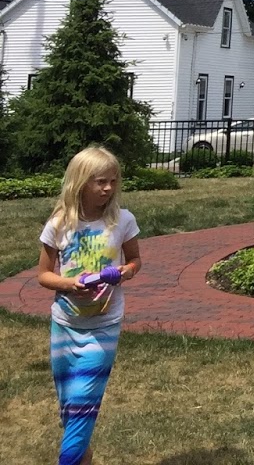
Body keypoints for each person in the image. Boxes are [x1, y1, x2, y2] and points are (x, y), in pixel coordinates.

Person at [37, 145, 143, 465]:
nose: (108, 188)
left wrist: (122, 273)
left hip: (104, 325)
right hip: (66, 324)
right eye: (99, 182)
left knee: (84, 399)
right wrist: (72, 284)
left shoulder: (122, 220)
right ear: (79, 182)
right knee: (70, 404)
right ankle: (84, 456)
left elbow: (135, 261)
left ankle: (68, 460)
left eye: (112, 181)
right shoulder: (59, 224)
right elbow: (43, 275)